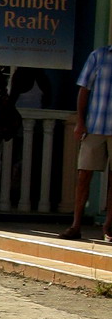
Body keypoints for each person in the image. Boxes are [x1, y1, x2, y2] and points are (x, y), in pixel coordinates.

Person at [61, 41, 112, 241]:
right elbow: (84, 89)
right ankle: (76, 224)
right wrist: (80, 122)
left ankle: (109, 226)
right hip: (95, 125)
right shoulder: (99, 56)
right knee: (84, 175)